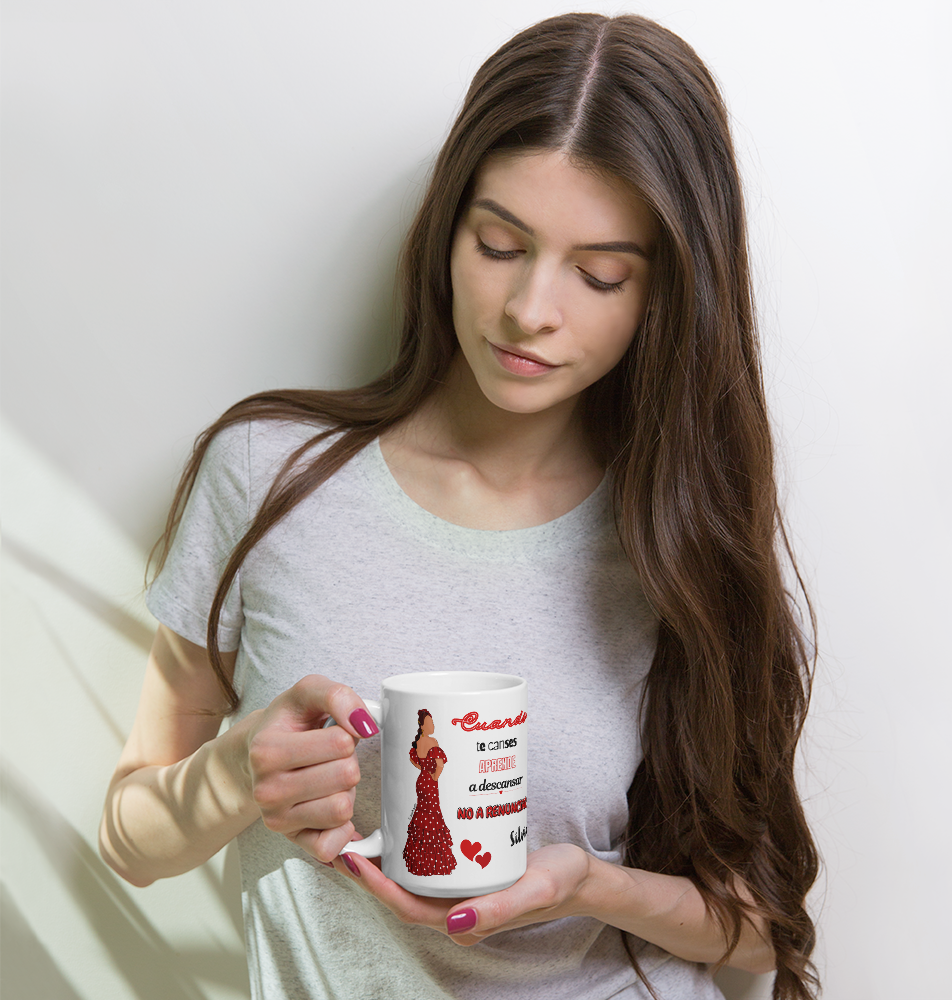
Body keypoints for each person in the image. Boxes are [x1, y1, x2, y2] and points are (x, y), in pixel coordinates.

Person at [99, 12, 819, 1000]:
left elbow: (758, 930)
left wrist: (590, 884)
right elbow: (130, 840)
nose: (531, 309)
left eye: (600, 273)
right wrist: (234, 776)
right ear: (447, 228)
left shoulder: (674, 536)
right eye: (497, 243)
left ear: (663, 297)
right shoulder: (265, 476)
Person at [403, 710, 457, 876]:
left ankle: (422, 862)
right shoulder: (432, 741)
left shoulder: (418, 742)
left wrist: (425, 770)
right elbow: (440, 764)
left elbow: (415, 760)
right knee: (433, 816)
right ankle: (433, 864)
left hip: (421, 781)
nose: (432, 726)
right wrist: (434, 776)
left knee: (423, 814)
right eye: (430, 723)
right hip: (431, 783)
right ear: (422, 725)